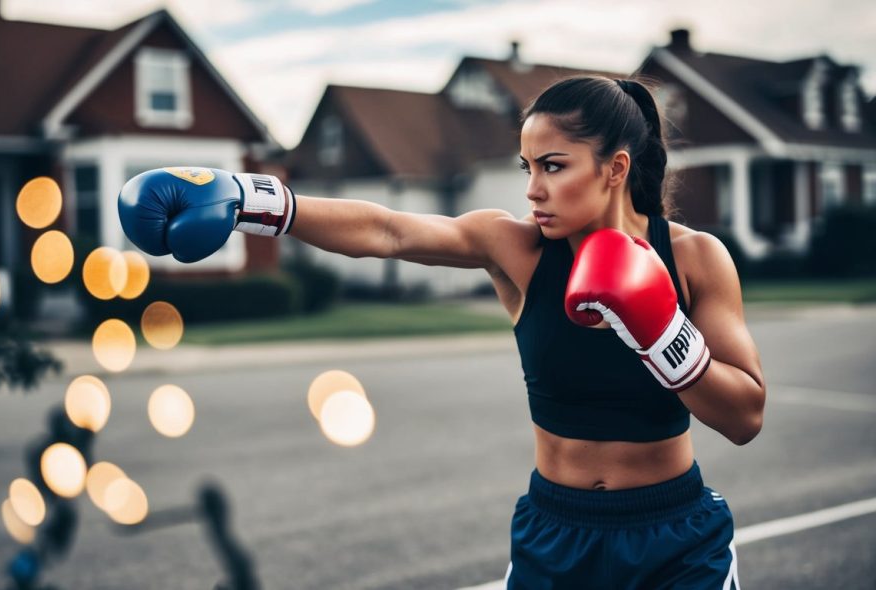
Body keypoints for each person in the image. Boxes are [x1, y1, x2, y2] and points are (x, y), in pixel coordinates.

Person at [117, 76, 766, 589]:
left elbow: (744, 417)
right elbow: (387, 230)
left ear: (615, 169)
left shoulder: (693, 259)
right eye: (526, 167)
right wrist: (248, 199)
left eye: (554, 166)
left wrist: (662, 336)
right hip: (557, 537)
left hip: (674, 542)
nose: (534, 189)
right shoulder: (515, 249)